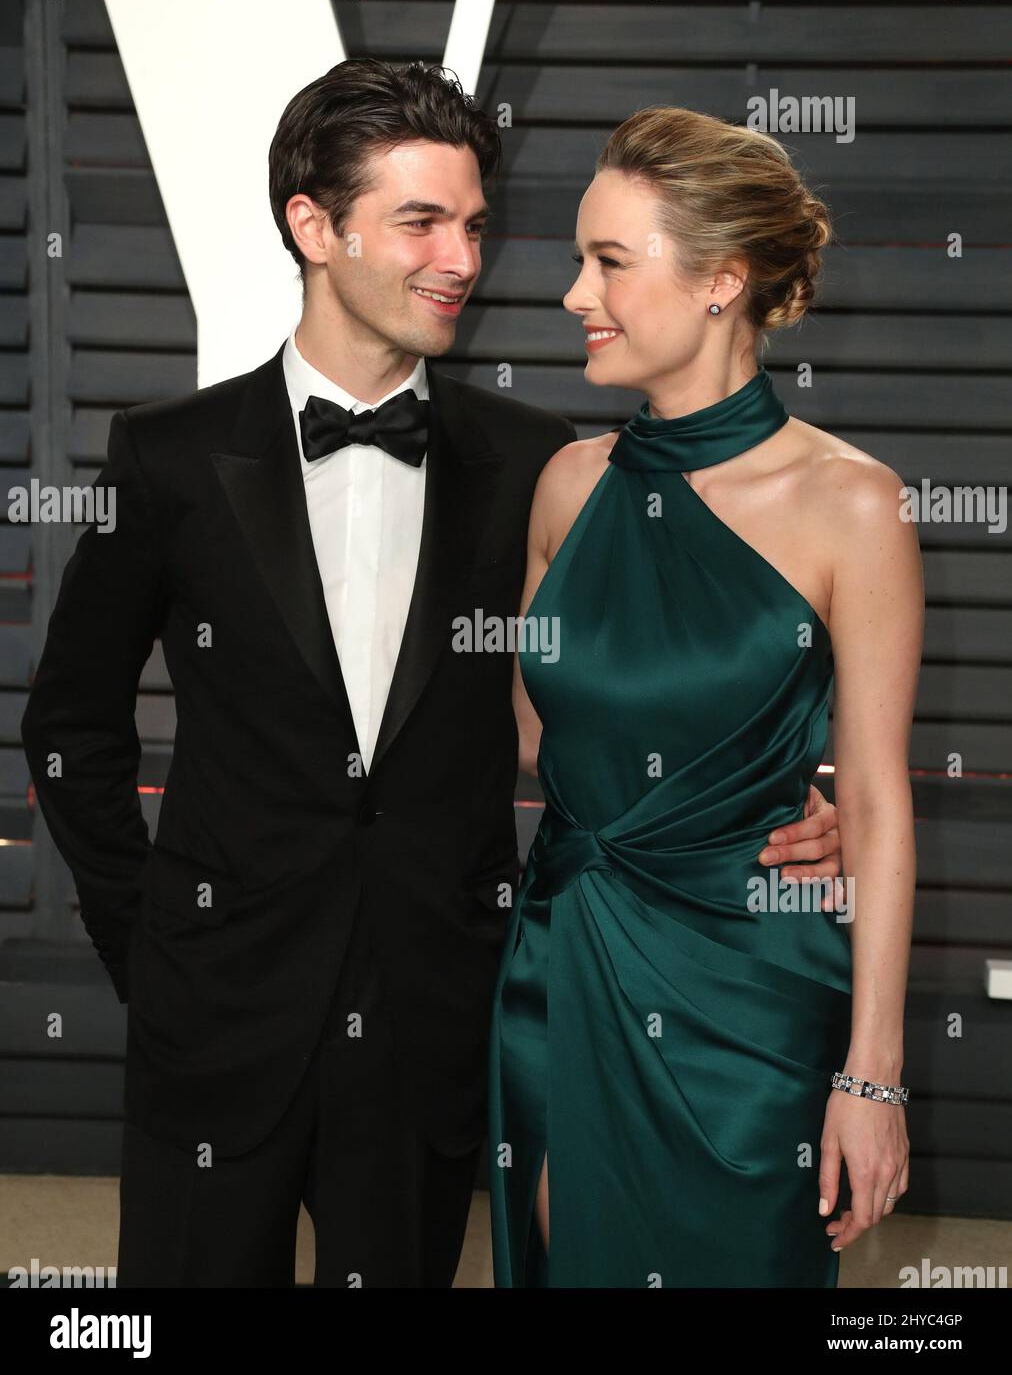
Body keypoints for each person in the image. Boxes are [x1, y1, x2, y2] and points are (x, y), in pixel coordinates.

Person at [21, 64, 845, 1287]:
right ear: (314, 225)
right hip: (214, 1011)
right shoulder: (168, 455)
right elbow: (68, 727)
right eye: (421, 221)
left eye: (472, 222)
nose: (460, 256)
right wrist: (147, 944)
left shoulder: (538, 466)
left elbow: (648, 679)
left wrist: (781, 801)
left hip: (433, 1014)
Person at [488, 107, 921, 1288]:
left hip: (753, 993)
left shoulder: (853, 505)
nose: (573, 291)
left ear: (722, 282)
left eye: (609, 263)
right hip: (568, 957)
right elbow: (544, 744)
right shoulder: (567, 490)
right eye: (580, 258)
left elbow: (879, 804)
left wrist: (871, 1076)